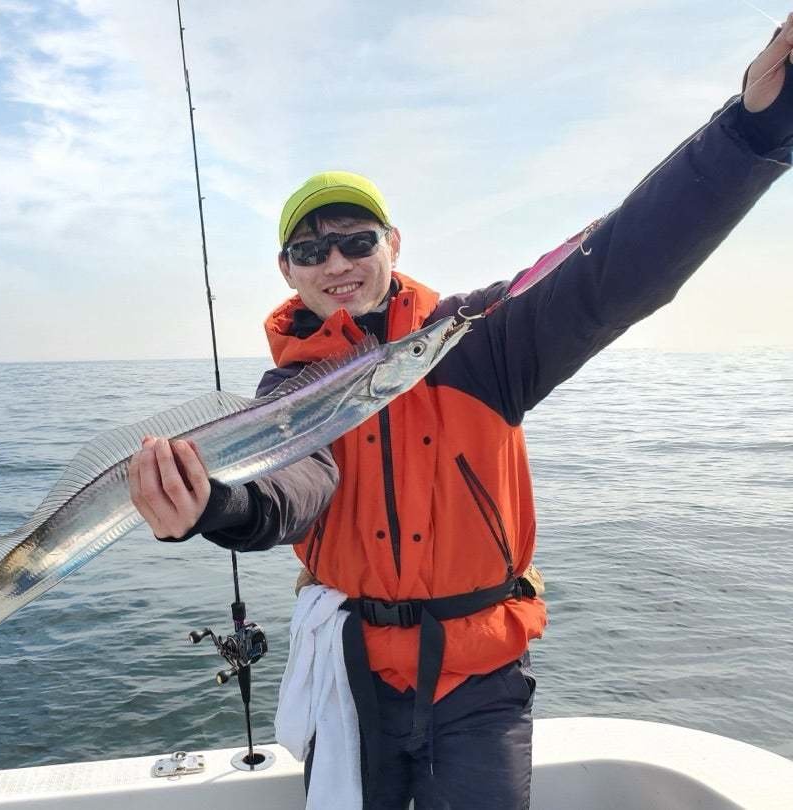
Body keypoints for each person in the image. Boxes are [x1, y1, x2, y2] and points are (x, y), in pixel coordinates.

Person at [128, 17, 793, 810]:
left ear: (393, 244)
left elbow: (619, 268)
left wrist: (751, 130)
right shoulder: (293, 390)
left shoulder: (477, 340)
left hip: (480, 682)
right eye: (311, 251)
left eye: (356, 241)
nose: (336, 263)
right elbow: (293, 489)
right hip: (353, 678)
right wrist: (212, 504)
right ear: (288, 270)